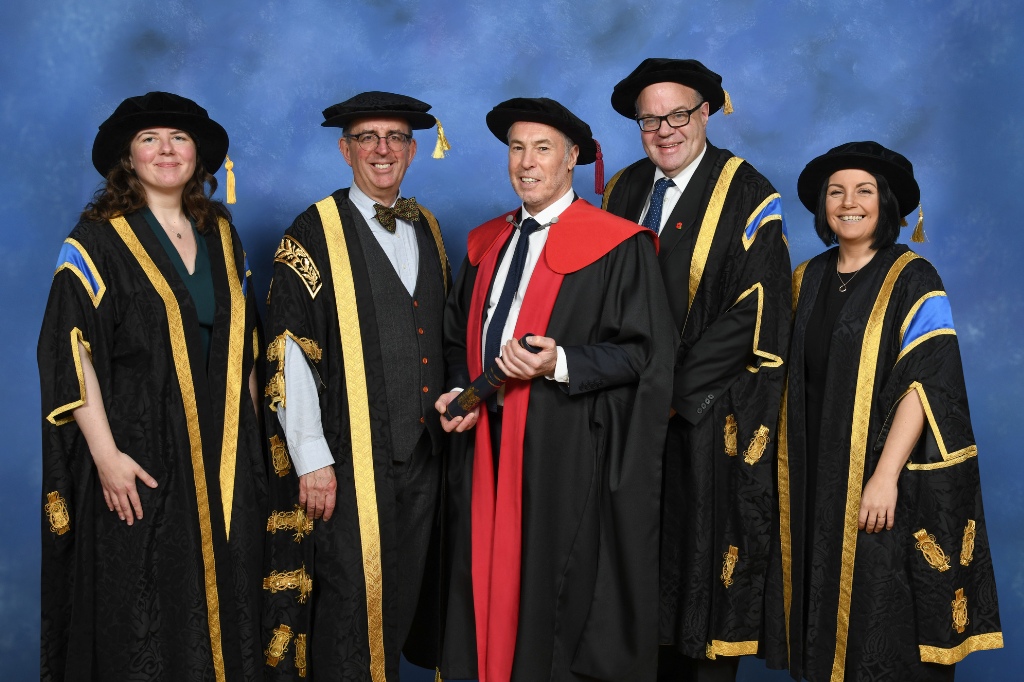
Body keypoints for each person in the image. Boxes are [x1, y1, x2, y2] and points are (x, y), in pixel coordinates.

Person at [436, 97, 675, 682]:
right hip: (482, 448)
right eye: (517, 148)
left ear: (572, 159)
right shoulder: (484, 243)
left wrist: (560, 362)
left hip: (560, 449)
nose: (526, 162)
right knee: (477, 582)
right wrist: (454, 394)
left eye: (542, 149)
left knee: (546, 595)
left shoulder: (618, 245)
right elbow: (452, 339)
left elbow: (644, 352)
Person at [38, 91, 266, 681]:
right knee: (143, 608)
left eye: (179, 138)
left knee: (226, 595)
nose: (167, 150)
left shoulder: (220, 233)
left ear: (198, 156)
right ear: (128, 157)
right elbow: (70, 352)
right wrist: (107, 456)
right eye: (150, 139)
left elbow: (245, 344)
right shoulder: (96, 241)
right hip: (139, 457)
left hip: (222, 455)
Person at [762, 141, 1003, 681]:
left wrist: (885, 477)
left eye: (864, 191)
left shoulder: (914, 277)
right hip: (816, 480)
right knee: (825, 620)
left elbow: (927, 385)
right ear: (823, 205)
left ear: (886, 204)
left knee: (883, 621)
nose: (849, 202)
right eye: (836, 192)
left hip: (881, 480)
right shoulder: (808, 278)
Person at [602, 58, 791, 681]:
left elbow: (752, 310)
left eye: (677, 114)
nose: (664, 130)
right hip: (624, 414)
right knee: (630, 567)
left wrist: (672, 396)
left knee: (695, 567)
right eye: (649, 119)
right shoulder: (623, 190)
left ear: (705, 112)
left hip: (701, 415)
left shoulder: (747, 191)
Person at [260, 91, 451, 680]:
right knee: (348, 603)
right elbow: (290, 350)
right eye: (367, 137)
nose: (382, 149)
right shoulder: (313, 231)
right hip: (349, 458)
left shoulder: (428, 229)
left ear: (414, 151)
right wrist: (312, 459)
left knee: (401, 598)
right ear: (346, 150)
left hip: (423, 455)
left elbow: (441, 333)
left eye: (395, 137)